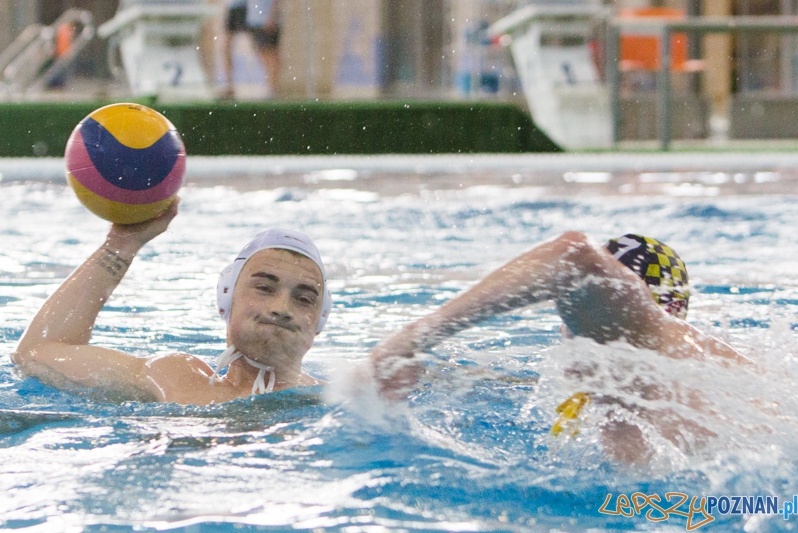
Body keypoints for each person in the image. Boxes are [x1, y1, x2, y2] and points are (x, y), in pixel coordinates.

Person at [368, 232, 752, 461]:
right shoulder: (691, 375)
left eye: (580, 316)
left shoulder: (639, 338)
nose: (570, 329)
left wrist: (414, 339)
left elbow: (573, 254)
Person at [12, 200, 331, 405]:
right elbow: (36, 354)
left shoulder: (335, 399)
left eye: (304, 298)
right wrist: (121, 244)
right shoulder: (173, 377)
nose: (281, 308)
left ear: (318, 322)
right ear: (227, 298)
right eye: (264, 287)